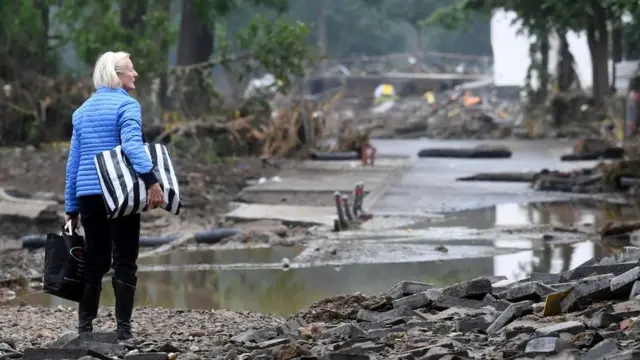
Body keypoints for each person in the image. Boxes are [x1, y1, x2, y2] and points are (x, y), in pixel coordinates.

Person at [64, 51, 165, 340]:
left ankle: (84, 328)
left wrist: (71, 206)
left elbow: (73, 163)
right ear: (117, 74)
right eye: (131, 70)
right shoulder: (127, 105)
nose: (136, 75)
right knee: (124, 259)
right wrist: (152, 181)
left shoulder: (81, 111)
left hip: (88, 194)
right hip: (119, 194)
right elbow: (133, 146)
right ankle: (123, 330)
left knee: (95, 259)